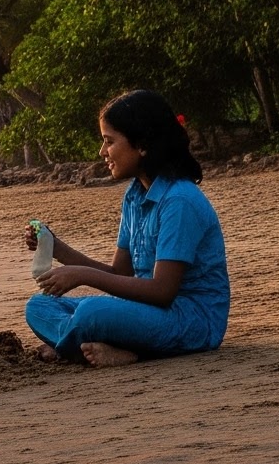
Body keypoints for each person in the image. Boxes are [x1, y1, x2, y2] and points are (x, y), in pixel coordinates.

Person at [24, 90, 229, 367]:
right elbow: (119, 273)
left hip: (190, 320)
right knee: (39, 307)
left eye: (109, 141)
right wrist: (56, 246)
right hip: (148, 312)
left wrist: (82, 275)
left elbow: (162, 291)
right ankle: (92, 345)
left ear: (142, 145)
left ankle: (90, 349)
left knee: (91, 313)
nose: (102, 152)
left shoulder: (180, 200)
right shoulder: (134, 196)